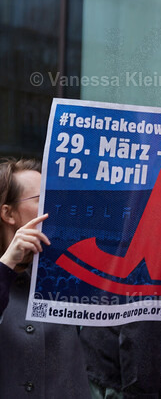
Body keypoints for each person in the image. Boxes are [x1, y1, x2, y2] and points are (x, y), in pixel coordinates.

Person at [0, 157, 91, 398]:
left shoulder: (69, 272)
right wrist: (7, 264)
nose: (53, 209)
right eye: (42, 200)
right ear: (8, 213)